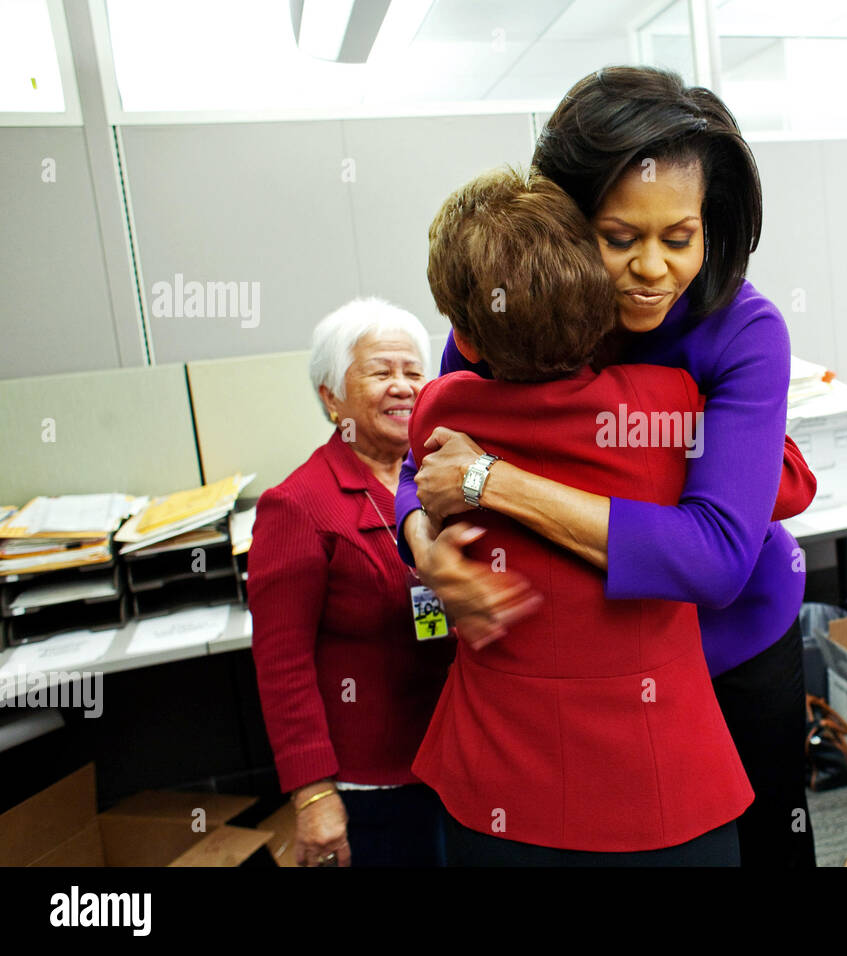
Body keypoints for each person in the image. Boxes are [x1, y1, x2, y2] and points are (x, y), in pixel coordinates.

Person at [396, 66, 817, 867]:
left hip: (726, 651)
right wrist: (423, 542)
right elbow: (431, 455)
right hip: (576, 663)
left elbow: (716, 555)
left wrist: (498, 483)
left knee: (764, 841)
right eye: (618, 238)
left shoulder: (741, 330)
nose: (652, 268)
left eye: (679, 238)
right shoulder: (522, 303)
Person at [247, 298, 455, 867]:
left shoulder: (442, 477)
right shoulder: (297, 506)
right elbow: (281, 666)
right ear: (330, 395)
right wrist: (313, 794)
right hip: (375, 784)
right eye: (381, 372)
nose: (403, 387)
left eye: (414, 372)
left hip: (459, 763)